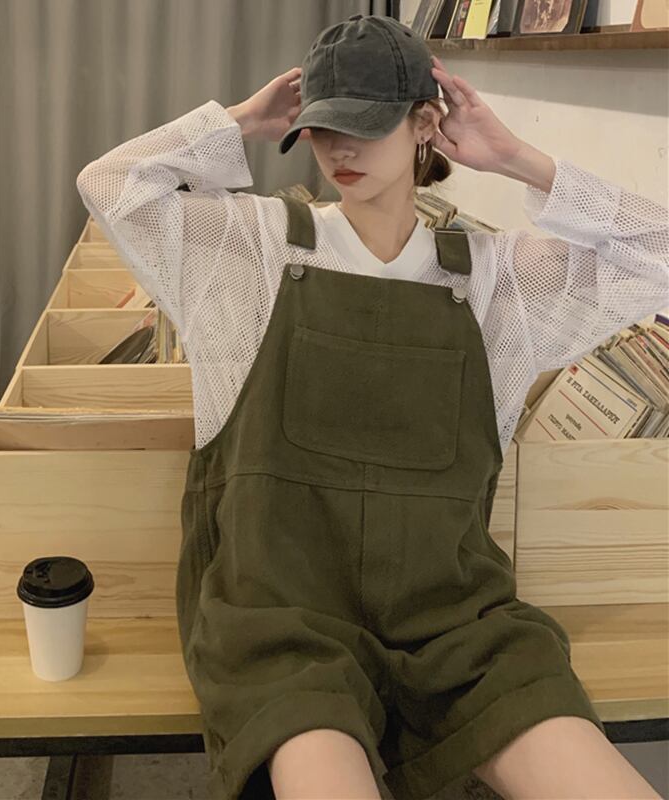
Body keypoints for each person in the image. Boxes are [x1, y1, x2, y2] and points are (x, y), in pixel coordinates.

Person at [76, 14, 668, 800]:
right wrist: (237, 121)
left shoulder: (494, 280)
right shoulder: (252, 251)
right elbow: (108, 185)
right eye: (322, 129)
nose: (339, 150)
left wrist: (518, 159)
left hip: (457, 626)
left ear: (426, 123)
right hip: (281, 624)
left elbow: (661, 255)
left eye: (365, 125)